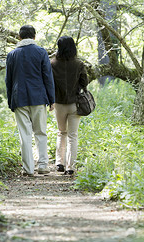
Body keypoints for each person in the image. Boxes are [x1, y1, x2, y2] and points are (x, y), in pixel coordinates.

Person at [5, 25, 55, 176]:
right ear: (34, 37)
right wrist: (52, 99)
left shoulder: (12, 54)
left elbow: (9, 80)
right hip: (39, 98)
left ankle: (28, 169)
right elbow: (48, 77)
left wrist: (10, 101)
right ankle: (43, 165)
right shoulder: (41, 52)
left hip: (18, 98)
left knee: (24, 134)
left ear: (19, 37)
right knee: (41, 132)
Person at [50, 36, 88, 175]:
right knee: (73, 135)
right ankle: (70, 167)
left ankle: (59, 162)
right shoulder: (79, 64)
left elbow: (50, 83)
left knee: (61, 132)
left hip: (59, 103)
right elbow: (85, 82)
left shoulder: (52, 63)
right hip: (74, 104)